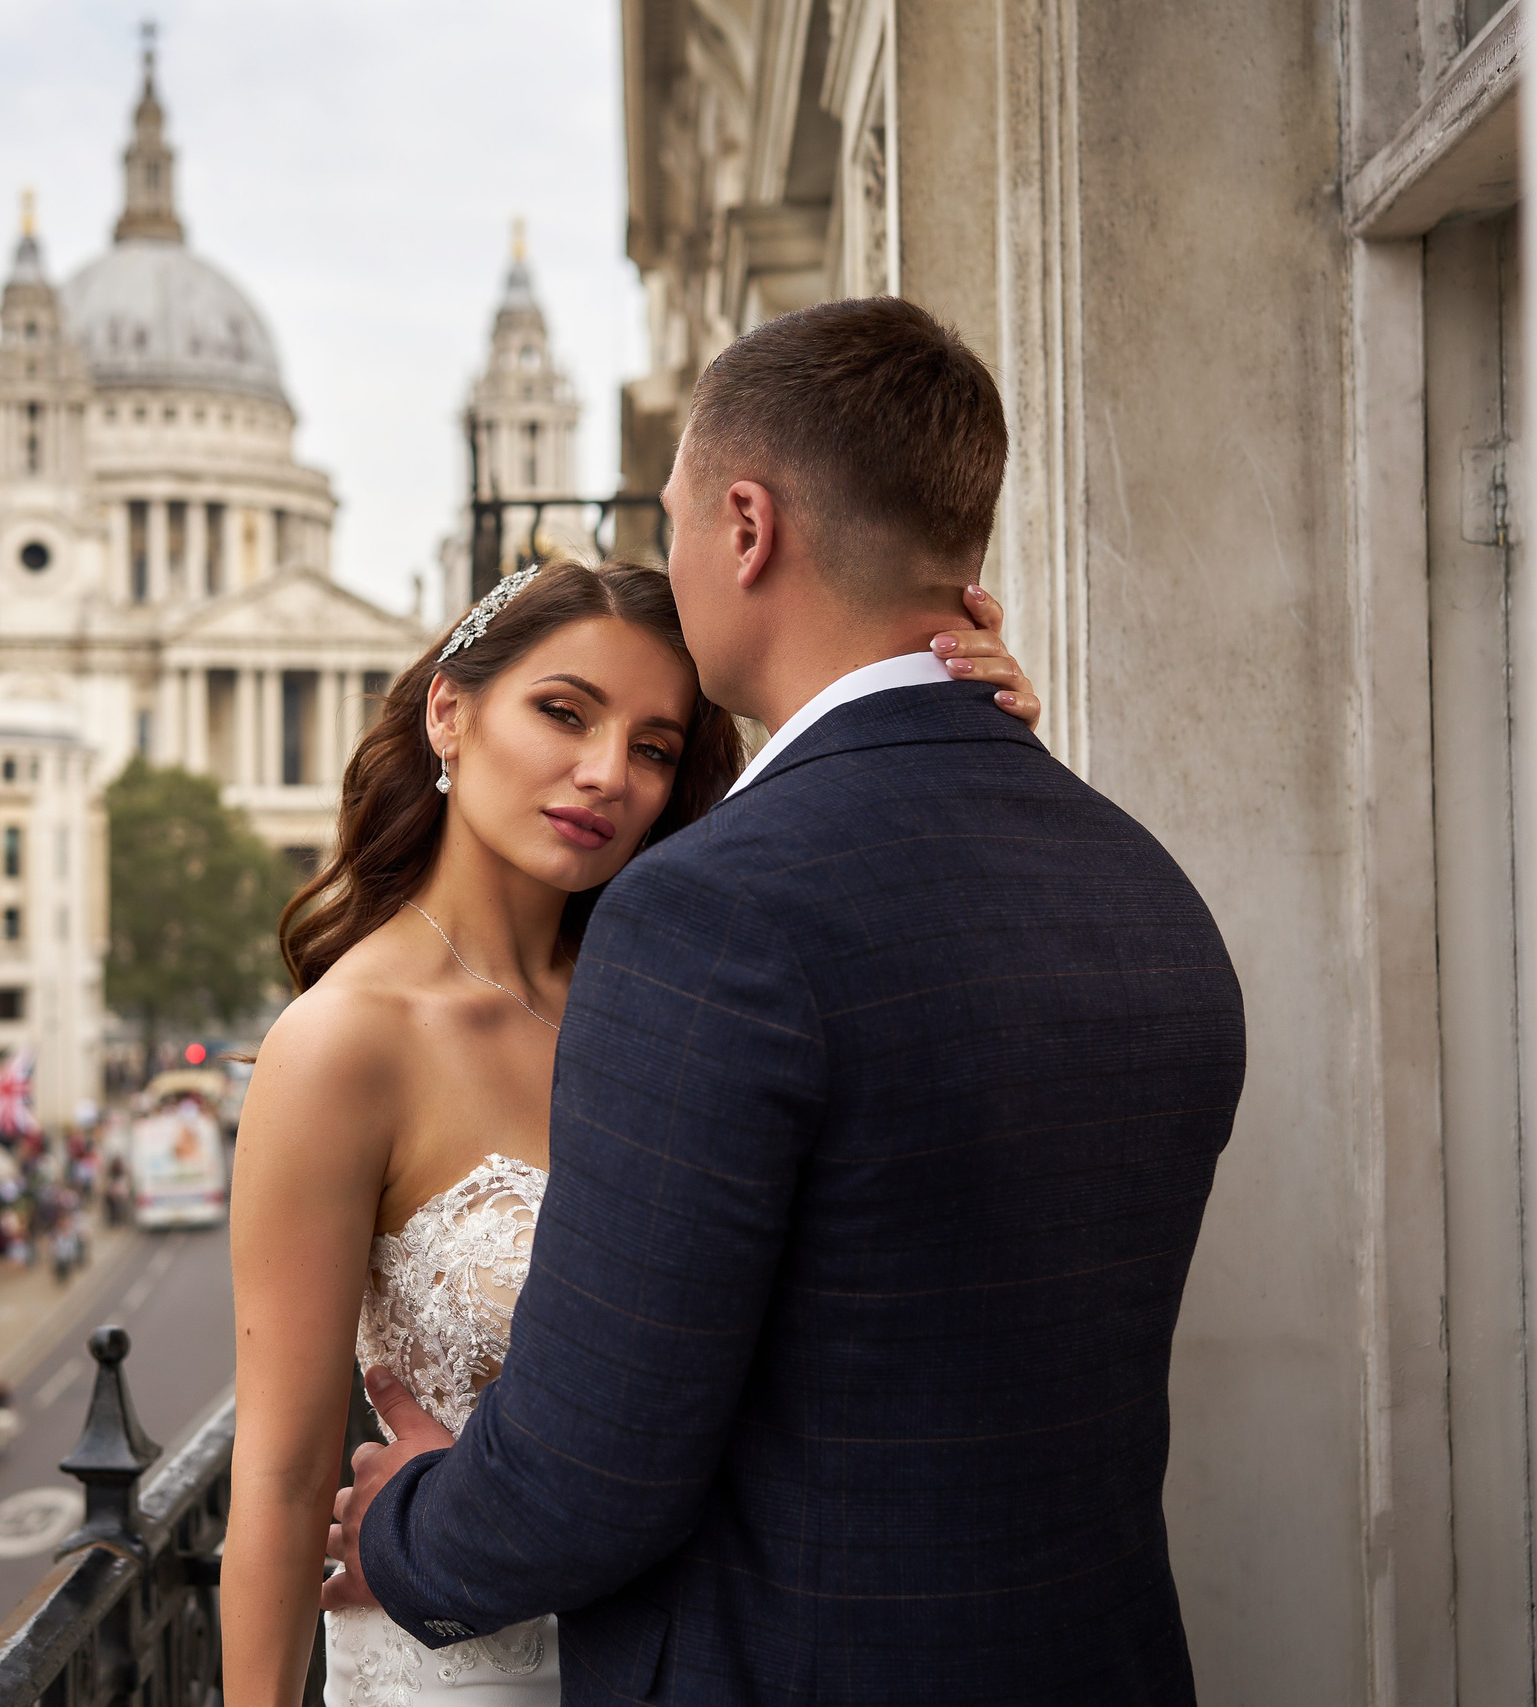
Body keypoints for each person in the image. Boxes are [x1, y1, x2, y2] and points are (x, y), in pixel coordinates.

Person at [303, 298, 1245, 1704]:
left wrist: (404, 1526)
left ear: (745, 529)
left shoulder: (713, 916)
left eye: (676, 518)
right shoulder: (1140, 884)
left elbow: (587, 1479)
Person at [218, 384, 1053, 1701]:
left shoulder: (683, 985)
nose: (611, 771)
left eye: (656, 745)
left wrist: (961, 747)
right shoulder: (342, 1047)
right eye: (564, 712)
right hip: (463, 1671)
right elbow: (273, 1478)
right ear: (452, 714)